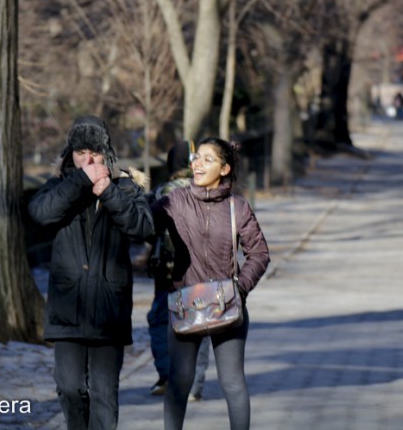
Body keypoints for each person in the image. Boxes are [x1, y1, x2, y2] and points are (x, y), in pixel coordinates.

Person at [28, 115, 154, 430]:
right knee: (70, 388)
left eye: (95, 152)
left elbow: (143, 228)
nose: (89, 158)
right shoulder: (59, 187)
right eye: (81, 151)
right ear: (70, 154)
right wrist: (81, 181)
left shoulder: (125, 187)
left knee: (103, 395)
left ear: (106, 153)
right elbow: (39, 214)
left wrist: (108, 192)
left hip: (108, 310)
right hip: (67, 309)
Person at [151, 137, 270, 430]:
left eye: (207, 159)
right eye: (197, 158)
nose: (198, 164)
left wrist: (240, 288)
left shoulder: (237, 207)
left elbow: (260, 253)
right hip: (183, 304)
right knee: (179, 383)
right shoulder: (174, 201)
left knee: (232, 383)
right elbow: (143, 225)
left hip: (228, 306)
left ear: (225, 168)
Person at [146, 140, 210, 399]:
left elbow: (149, 229)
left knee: (161, 321)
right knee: (200, 324)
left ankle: (167, 374)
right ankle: (194, 384)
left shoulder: (165, 191)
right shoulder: (207, 188)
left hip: (170, 272)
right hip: (205, 270)